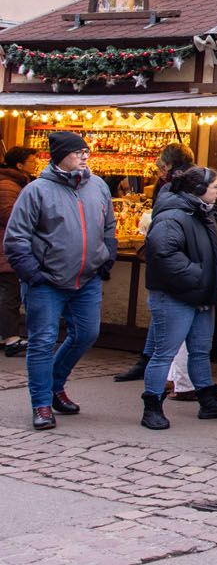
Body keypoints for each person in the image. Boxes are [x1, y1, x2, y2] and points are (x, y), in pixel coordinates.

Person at [2, 132, 117, 430]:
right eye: (78, 152)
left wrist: (107, 257)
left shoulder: (98, 186)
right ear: (60, 156)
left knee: (86, 334)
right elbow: (16, 238)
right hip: (46, 281)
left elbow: (108, 226)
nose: (84, 156)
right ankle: (41, 403)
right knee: (42, 341)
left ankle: (54, 385)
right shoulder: (36, 190)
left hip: (87, 278)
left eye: (86, 151)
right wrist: (33, 274)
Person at [139, 167, 217, 429]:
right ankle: (152, 405)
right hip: (176, 295)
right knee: (165, 352)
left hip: (199, 293)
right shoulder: (174, 216)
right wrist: (202, 276)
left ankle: (208, 399)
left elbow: (211, 250)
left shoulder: (201, 213)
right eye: (215, 186)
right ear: (198, 190)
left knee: (200, 350)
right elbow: (164, 255)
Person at [115, 142, 197, 383]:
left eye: (162, 166)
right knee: (164, 315)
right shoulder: (170, 188)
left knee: (170, 318)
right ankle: (163, 374)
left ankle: (169, 378)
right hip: (176, 261)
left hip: (178, 261)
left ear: (170, 165)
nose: (159, 170)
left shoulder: (180, 189)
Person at [0, 146, 39, 358]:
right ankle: (11, 338)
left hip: (7, 246)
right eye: (32, 162)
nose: (35, 166)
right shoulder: (8, 186)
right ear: (19, 165)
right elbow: (10, 217)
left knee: (7, 293)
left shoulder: (16, 184)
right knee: (9, 293)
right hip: (6, 248)